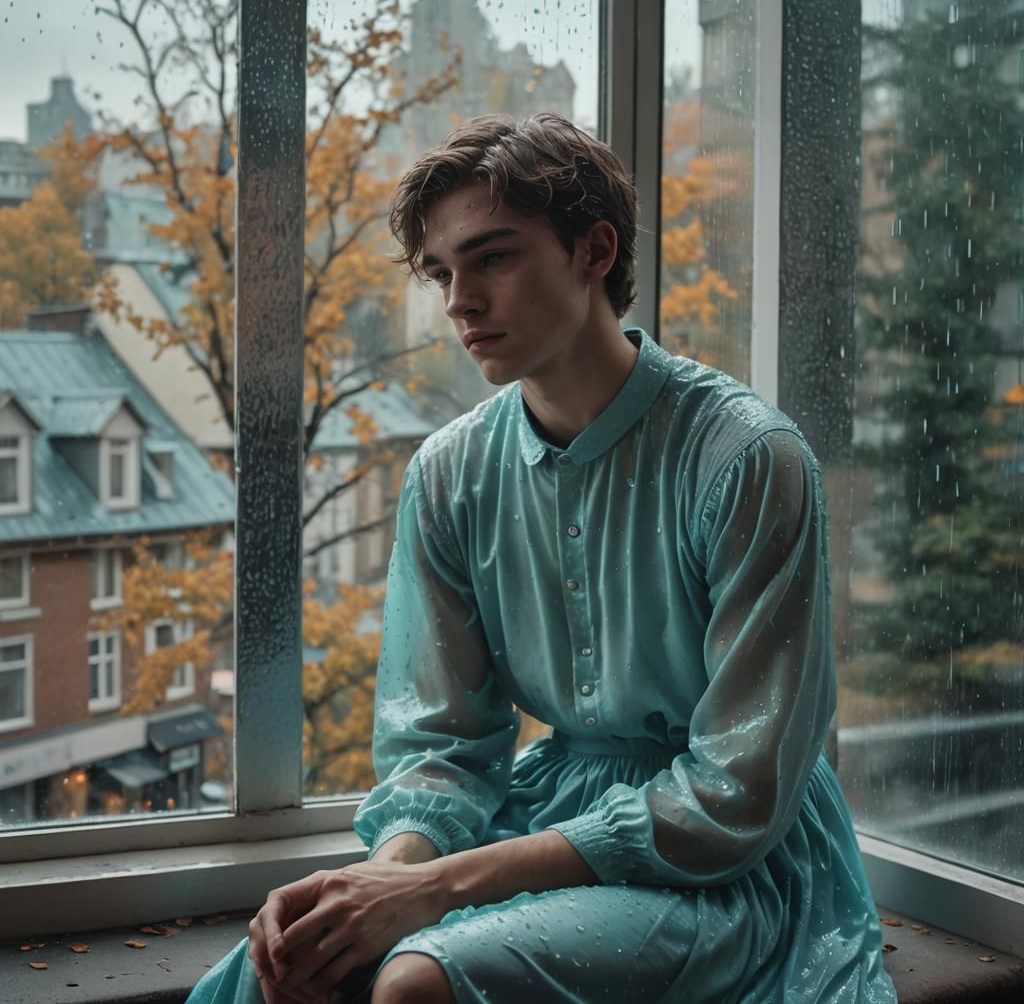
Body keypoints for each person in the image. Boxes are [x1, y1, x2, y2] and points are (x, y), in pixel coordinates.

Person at [188, 113, 898, 1004]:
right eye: (443, 272)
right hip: (550, 817)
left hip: (733, 867)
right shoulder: (447, 475)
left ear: (594, 250)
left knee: (418, 980)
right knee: (286, 964)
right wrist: (385, 880)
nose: (458, 301)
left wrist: (433, 892)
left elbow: (736, 794)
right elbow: (439, 746)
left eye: (493, 258)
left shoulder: (749, 459)